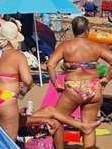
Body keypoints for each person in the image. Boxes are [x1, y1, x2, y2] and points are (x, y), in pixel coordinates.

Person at [47, 16, 112, 148]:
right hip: (93, 87)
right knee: (89, 125)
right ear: (87, 30)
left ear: (73, 29)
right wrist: (106, 79)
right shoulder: (96, 46)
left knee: (57, 120)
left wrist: (55, 83)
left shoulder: (65, 46)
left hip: (73, 88)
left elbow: (50, 65)